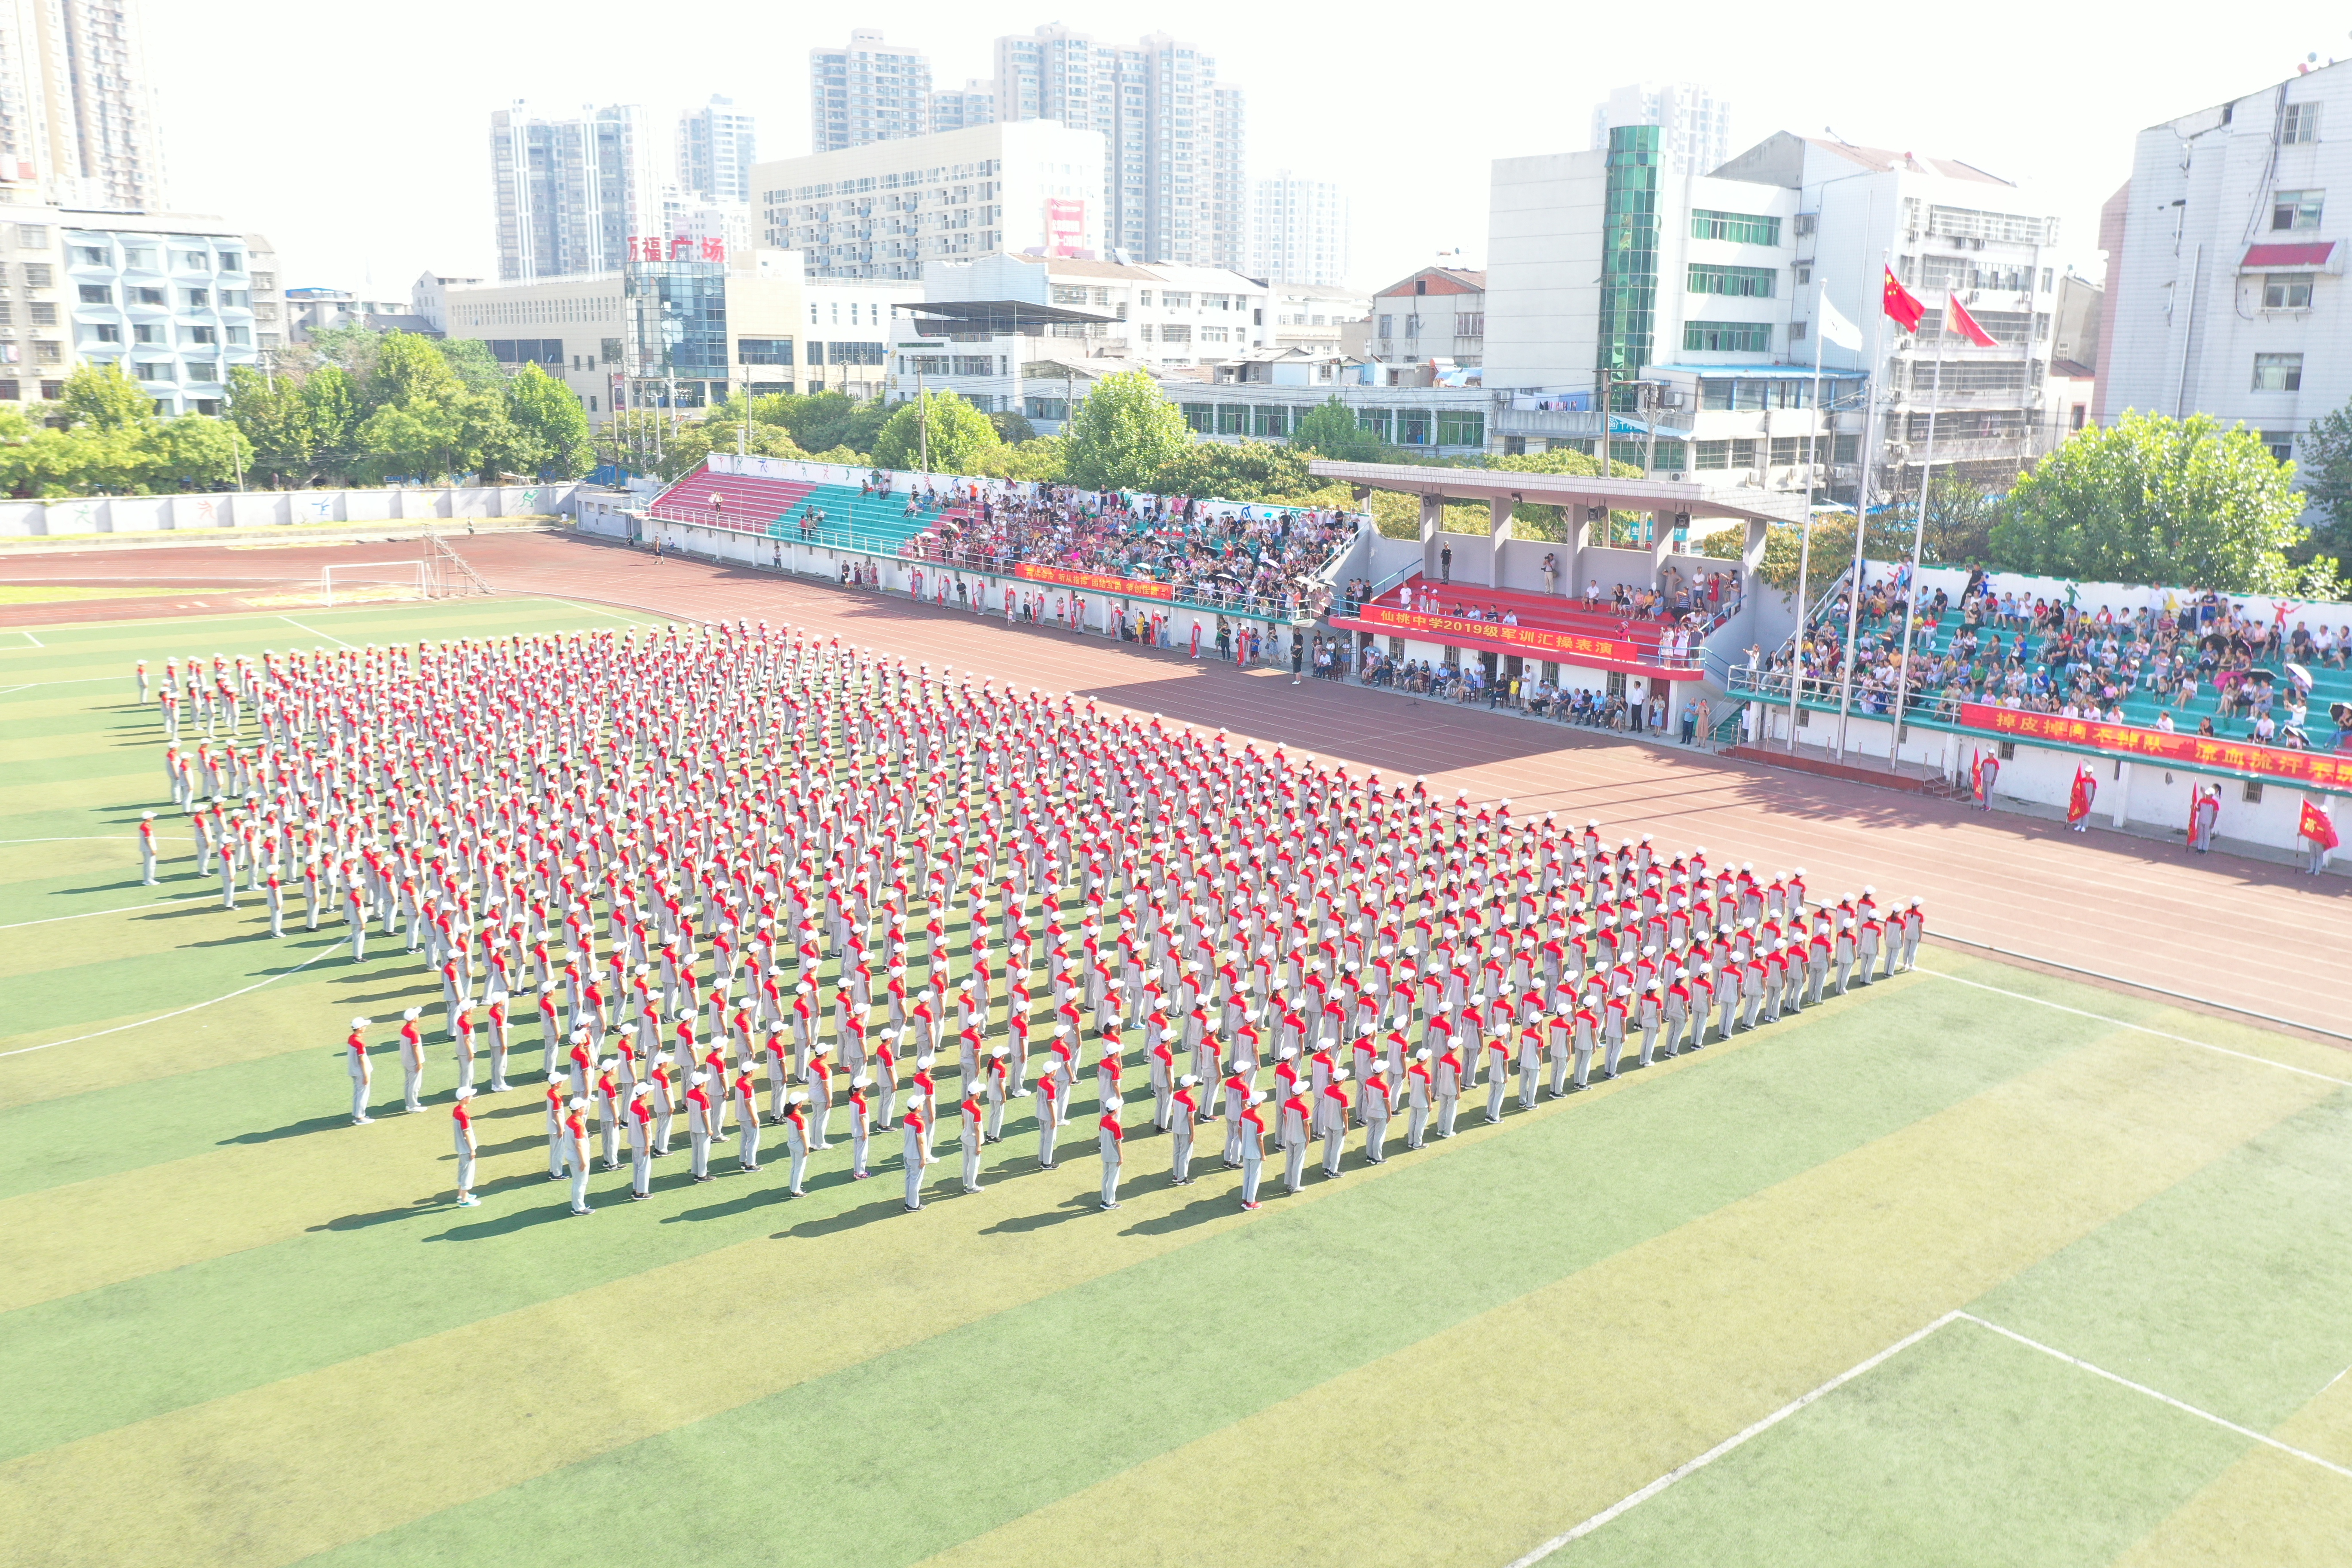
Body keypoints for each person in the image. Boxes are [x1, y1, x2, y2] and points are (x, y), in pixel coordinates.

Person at [450, 1086, 480, 1207]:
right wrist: (472, 1149)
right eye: (470, 1096)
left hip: (460, 1147)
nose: (471, 1097)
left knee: (462, 1171)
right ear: (464, 1098)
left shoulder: (457, 1110)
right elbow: (467, 1132)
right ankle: (465, 1200)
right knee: (468, 1173)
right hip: (466, 1148)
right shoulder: (463, 1113)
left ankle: (461, 1195)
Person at [344, 1016, 374, 1125]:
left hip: (354, 1071)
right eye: (364, 1026)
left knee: (358, 1093)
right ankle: (360, 1117)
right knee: (363, 1094)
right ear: (360, 1028)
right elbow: (362, 1059)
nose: (366, 1027)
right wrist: (366, 1075)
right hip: (361, 1072)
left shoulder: (352, 1038)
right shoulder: (359, 1042)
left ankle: (357, 1115)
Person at [1098, 1099, 1124, 1210]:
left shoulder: (1103, 1120)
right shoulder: (1116, 1124)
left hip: (1105, 1153)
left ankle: (1104, 1200)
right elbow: (1118, 1142)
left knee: (1106, 1177)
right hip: (1113, 1155)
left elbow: (1101, 1130)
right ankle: (1110, 1203)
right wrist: (1121, 1157)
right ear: (1115, 1110)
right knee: (1113, 1180)